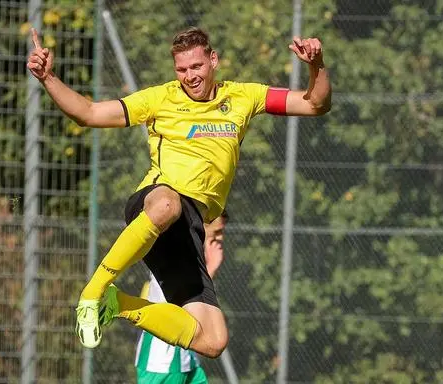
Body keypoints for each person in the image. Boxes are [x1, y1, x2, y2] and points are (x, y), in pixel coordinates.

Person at [26, 26, 331, 358]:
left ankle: (117, 304)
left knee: (213, 340)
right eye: (182, 69)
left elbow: (316, 104)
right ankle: (93, 292)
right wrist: (48, 78)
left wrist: (316, 65)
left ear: (213, 60)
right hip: (155, 203)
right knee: (169, 204)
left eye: (196, 66)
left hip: (190, 227)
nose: (190, 76)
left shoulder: (244, 96)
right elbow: (88, 113)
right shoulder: (160, 98)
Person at [136, 212, 227, 384]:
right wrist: (211, 269)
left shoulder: (192, 256)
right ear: (201, 226)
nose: (220, 238)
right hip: (163, 360)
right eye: (217, 232)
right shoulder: (178, 253)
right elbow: (184, 299)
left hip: (186, 358)